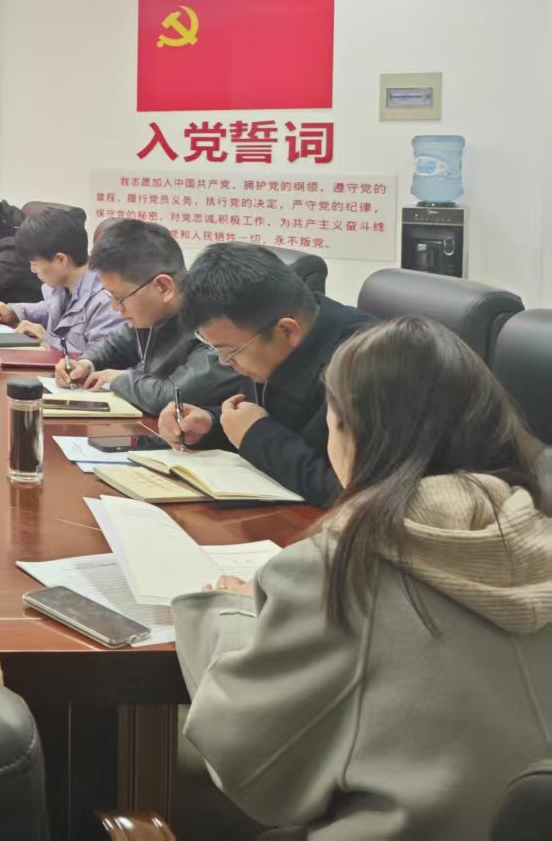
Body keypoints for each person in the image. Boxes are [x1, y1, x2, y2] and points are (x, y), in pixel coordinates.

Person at [173, 317, 552, 839]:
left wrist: (234, 614)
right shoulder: (538, 531)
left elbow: (246, 761)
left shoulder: (340, 568)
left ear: (351, 432)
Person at [171, 242, 371, 506]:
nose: (224, 362)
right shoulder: (267, 336)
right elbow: (266, 416)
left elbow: (354, 492)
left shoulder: (367, 366)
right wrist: (210, 424)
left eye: (230, 352)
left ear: (287, 330)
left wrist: (256, 435)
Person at [56, 219, 242, 419]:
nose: (115, 307)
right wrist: (85, 363)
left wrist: (119, 379)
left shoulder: (215, 326)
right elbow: (116, 343)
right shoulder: (154, 313)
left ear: (163, 287)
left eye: (120, 298)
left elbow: (172, 396)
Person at [0, 208, 124, 355]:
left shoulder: (107, 301)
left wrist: (48, 340)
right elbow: (50, 309)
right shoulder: (65, 285)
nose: (32, 270)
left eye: (34, 263)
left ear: (60, 260)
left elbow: (100, 359)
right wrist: (13, 312)